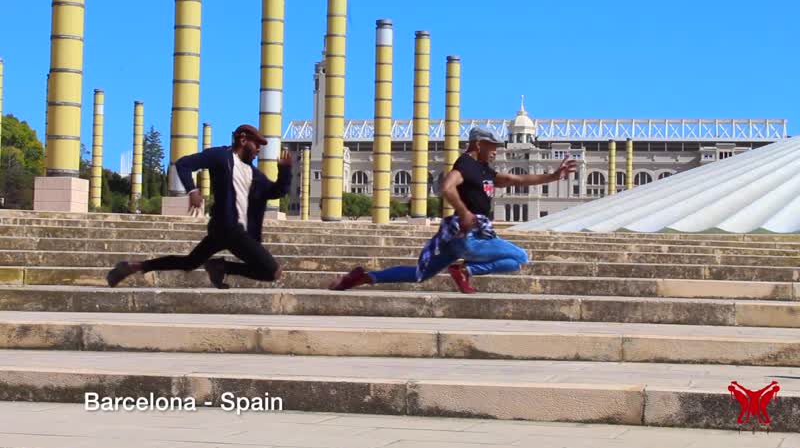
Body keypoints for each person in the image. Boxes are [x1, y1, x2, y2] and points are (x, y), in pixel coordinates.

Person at [329, 127, 577, 293]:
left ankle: (364, 277)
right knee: (520, 258)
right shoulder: (466, 165)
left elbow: (515, 179)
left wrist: (554, 176)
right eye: (492, 146)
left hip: (456, 238)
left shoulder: (483, 169)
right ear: (478, 144)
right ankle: (465, 269)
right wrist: (464, 211)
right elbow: (446, 186)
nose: (496, 150)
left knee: (418, 275)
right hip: (470, 236)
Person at [106, 124, 292, 289]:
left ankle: (134, 266)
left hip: (226, 231)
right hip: (230, 229)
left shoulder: (253, 174)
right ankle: (220, 267)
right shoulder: (221, 157)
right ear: (243, 140)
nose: (259, 149)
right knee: (272, 271)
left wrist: (285, 172)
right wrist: (192, 190)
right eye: (256, 144)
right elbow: (183, 164)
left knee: (190, 262)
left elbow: (276, 192)